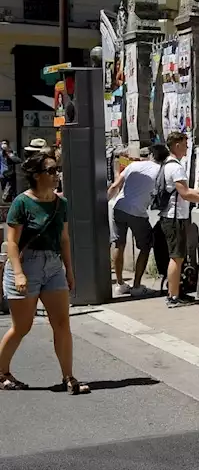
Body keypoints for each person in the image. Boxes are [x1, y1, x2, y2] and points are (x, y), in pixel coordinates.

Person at [0, 149, 89, 394]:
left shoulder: (62, 204)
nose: (56, 174)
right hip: (25, 265)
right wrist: (18, 273)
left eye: (57, 169)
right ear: (37, 175)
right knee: (22, 327)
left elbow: (64, 239)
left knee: (62, 324)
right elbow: (12, 243)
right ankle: (1, 371)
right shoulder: (22, 202)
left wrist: (69, 270)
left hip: (53, 266)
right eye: (51, 170)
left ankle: (68, 377)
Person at [157, 132, 199, 308]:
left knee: (177, 256)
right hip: (174, 217)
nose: (187, 148)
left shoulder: (167, 164)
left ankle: (174, 294)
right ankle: (173, 297)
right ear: (177, 145)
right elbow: (185, 195)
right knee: (176, 257)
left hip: (170, 216)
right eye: (185, 144)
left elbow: (182, 190)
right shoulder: (176, 167)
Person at [106, 144, 168, 296]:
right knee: (145, 246)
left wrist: (103, 204)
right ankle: (137, 286)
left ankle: (120, 284)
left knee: (118, 244)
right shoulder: (161, 171)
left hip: (119, 206)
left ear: (151, 155)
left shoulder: (134, 165)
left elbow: (115, 185)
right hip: (138, 212)